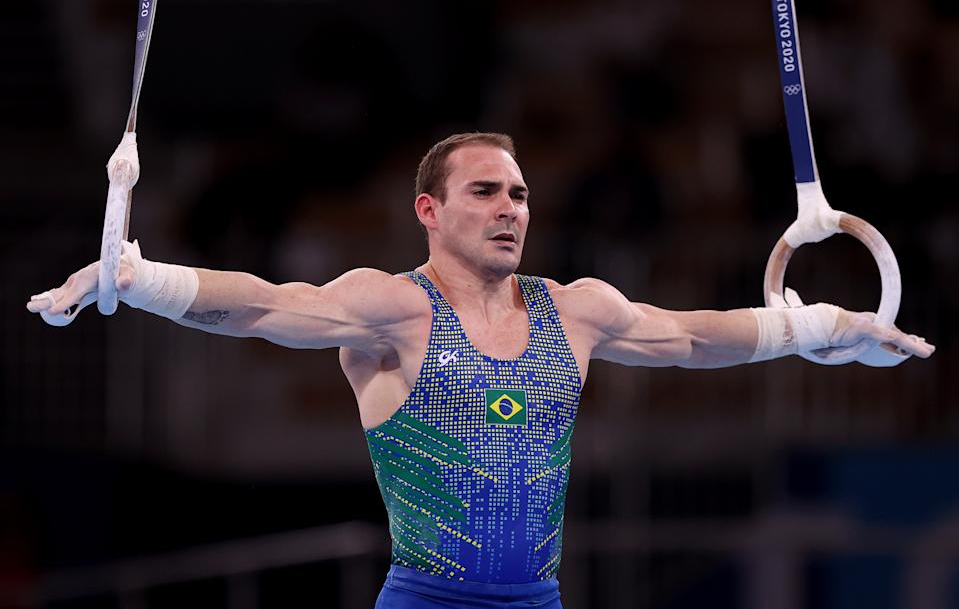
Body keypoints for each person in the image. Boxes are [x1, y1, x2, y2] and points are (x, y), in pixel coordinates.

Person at [27, 132, 934, 608]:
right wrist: (141, 279)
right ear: (429, 208)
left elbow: (696, 335)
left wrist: (826, 324)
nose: (512, 209)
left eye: (522, 194)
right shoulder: (393, 310)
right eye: (486, 191)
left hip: (536, 602)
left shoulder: (573, 310)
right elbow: (268, 302)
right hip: (424, 600)